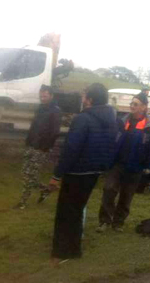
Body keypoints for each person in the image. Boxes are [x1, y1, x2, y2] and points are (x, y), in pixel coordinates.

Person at [48, 83, 118, 265]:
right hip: (94, 172)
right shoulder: (112, 120)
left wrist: (57, 175)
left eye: (85, 95)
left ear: (91, 100)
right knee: (77, 210)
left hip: (76, 172)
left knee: (66, 212)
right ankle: (73, 247)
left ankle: (63, 252)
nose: (83, 98)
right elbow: (112, 147)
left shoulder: (83, 119)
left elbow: (71, 149)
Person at [97, 93, 150, 233]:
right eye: (132, 103)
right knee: (108, 189)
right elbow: (112, 140)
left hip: (135, 167)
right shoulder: (122, 120)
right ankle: (105, 221)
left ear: (144, 107)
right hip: (117, 164)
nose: (132, 106)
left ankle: (118, 222)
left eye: (135, 104)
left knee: (126, 196)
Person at [14, 85, 62, 209]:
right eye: (41, 96)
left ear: (51, 96)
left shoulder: (56, 111)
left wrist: (44, 148)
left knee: (29, 175)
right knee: (27, 174)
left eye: (45, 96)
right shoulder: (40, 108)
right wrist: (28, 141)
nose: (42, 98)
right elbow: (34, 127)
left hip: (40, 149)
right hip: (31, 145)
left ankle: (23, 202)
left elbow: (54, 133)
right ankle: (46, 189)